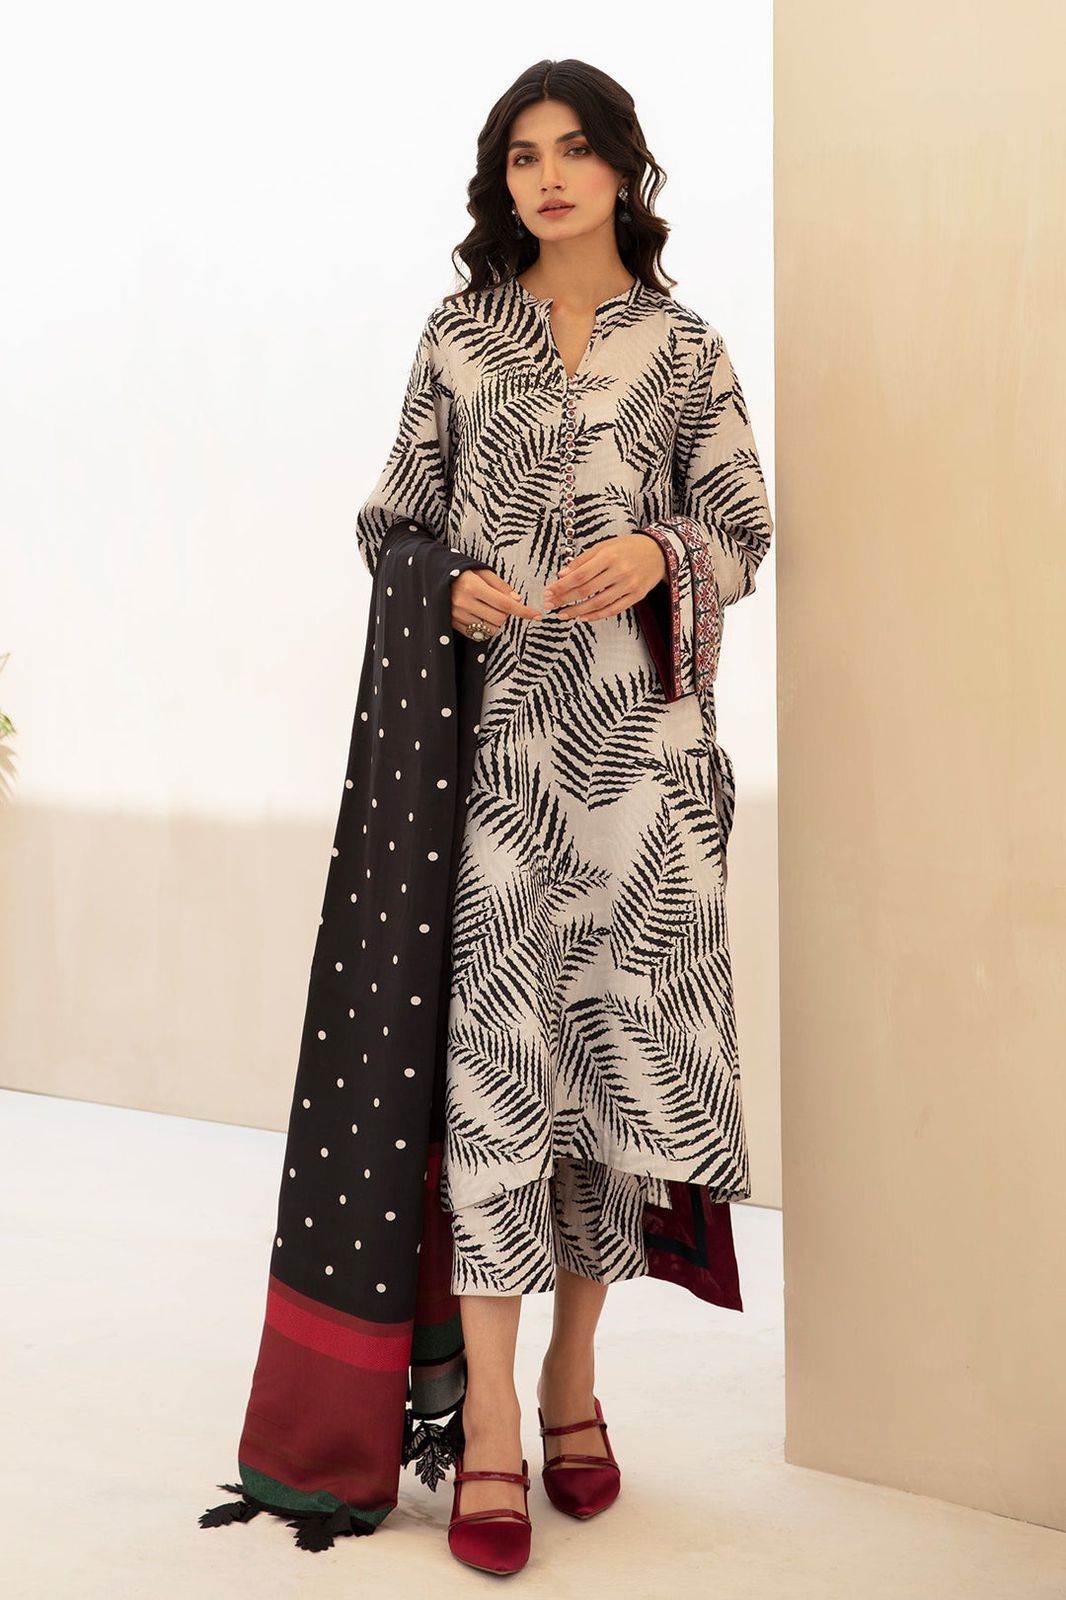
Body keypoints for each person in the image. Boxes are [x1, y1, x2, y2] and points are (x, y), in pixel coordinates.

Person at [354, 58, 774, 1575]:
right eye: (523, 154)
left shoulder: (684, 346)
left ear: (621, 169)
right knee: (495, 1080)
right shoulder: (459, 336)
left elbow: (743, 529)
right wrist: (446, 582)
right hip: (497, 775)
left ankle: (573, 1380)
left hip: (643, 783)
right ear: (502, 179)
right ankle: (484, 1424)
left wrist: (663, 555)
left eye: (574, 149)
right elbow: (391, 517)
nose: (547, 176)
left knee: (610, 1080)